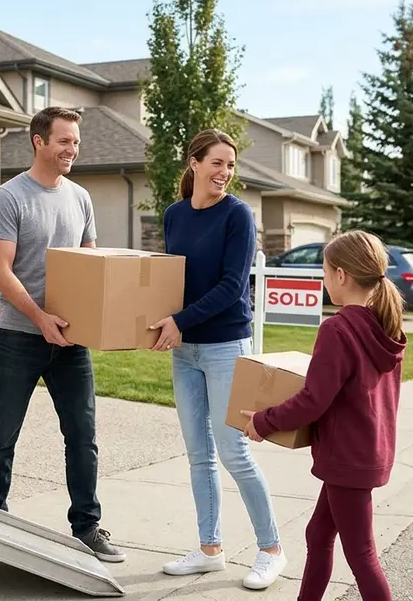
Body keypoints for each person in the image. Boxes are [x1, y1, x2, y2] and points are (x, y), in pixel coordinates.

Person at [0, 106, 124, 563]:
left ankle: (88, 526)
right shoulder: (9, 196)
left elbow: (89, 266)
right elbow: (1, 271)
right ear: (39, 141)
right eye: (64, 140)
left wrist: (91, 318)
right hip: (21, 336)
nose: (72, 149)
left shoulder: (80, 197)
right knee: (3, 434)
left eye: (75, 142)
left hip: (71, 343)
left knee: (83, 435)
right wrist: (40, 317)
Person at [147, 128, 287, 589]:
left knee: (234, 451)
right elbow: (172, 280)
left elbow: (232, 287)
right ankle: (210, 548)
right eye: (217, 163)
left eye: (230, 165)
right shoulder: (175, 215)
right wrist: (159, 320)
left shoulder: (237, 215)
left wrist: (181, 320)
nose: (225, 172)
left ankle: (271, 550)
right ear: (194, 163)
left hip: (226, 345)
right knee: (198, 454)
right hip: (183, 350)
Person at [241, 230, 407, 601]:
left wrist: (263, 422)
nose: (324, 277)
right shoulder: (385, 325)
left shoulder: (338, 328)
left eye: (326, 271)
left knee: (362, 555)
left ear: (342, 275)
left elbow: (314, 400)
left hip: (347, 457)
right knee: (319, 534)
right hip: (365, 452)